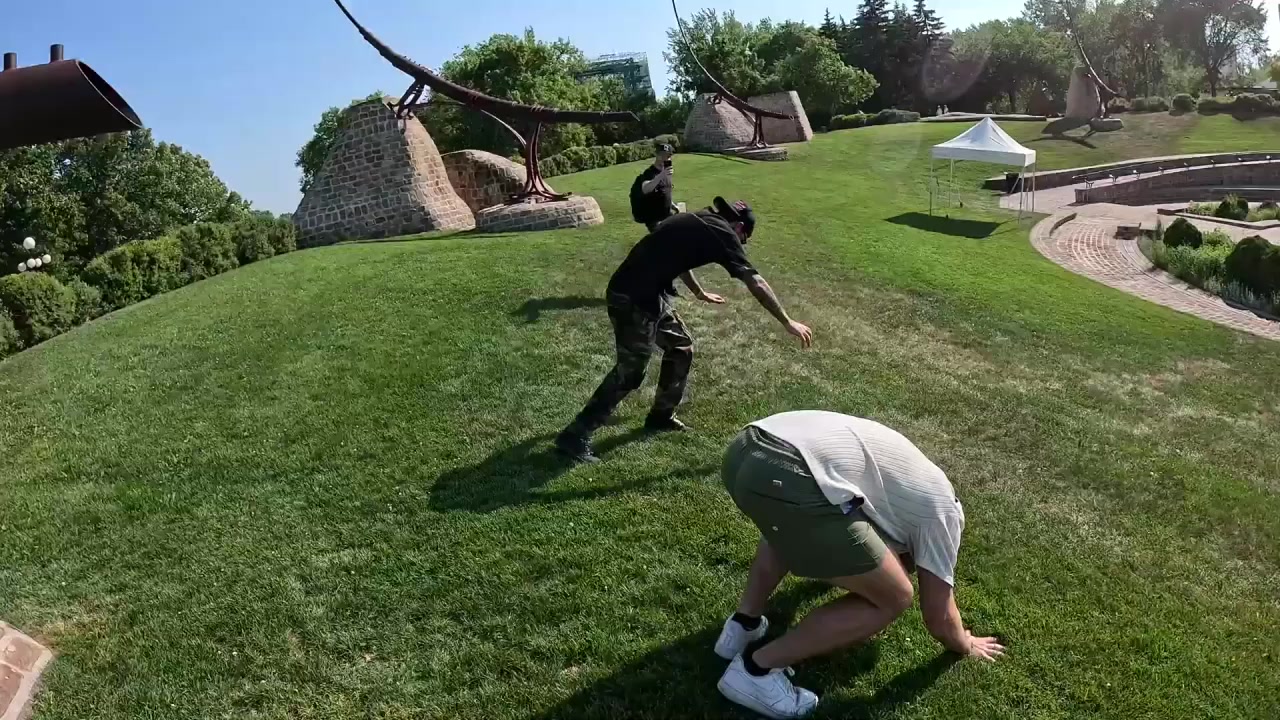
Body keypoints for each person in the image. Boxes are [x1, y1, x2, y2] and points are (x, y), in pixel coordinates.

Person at [713, 410, 1005, 719]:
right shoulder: (944, 518)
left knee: (790, 526)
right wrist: (965, 643)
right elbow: (939, 615)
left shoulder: (904, 489)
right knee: (895, 596)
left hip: (746, 448)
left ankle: (742, 627)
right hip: (787, 474)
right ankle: (756, 671)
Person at [554, 198, 813, 465]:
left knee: (680, 347)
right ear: (738, 227)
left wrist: (699, 292)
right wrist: (787, 321)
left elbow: (681, 257)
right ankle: (575, 435)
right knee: (631, 371)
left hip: (650, 294)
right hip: (631, 297)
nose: (739, 244)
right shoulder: (723, 232)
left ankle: (661, 415)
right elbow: (755, 280)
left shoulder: (702, 220)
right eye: (743, 239)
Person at [630, 143, 680, 233]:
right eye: (662, 155)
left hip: (667, 215)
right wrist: (661, 175)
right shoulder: (649, 173)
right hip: (654, 219)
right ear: (656, 155)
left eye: (668, 156)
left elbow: (664, 191)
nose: (665, 158)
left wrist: (673, 206)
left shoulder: (666, 173)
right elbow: (645, 189)